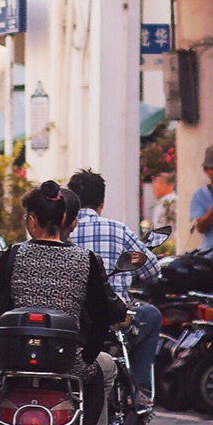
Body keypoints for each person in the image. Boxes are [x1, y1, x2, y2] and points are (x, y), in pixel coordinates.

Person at [0, 181, 128, 425]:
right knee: (101, 371)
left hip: (12, 358)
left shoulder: (13, 255)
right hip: (67, 360)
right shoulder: (87, 260)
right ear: (65, 220)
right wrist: (89, 353)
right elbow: (103, 312)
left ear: (32, 219)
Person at [66, 169, 155, 408]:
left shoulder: (62, 231)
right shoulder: (118, 230)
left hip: (70, 320)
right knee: (152, 315)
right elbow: (152, 269)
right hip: (114, 318)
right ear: (102, 203)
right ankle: (139, 390)